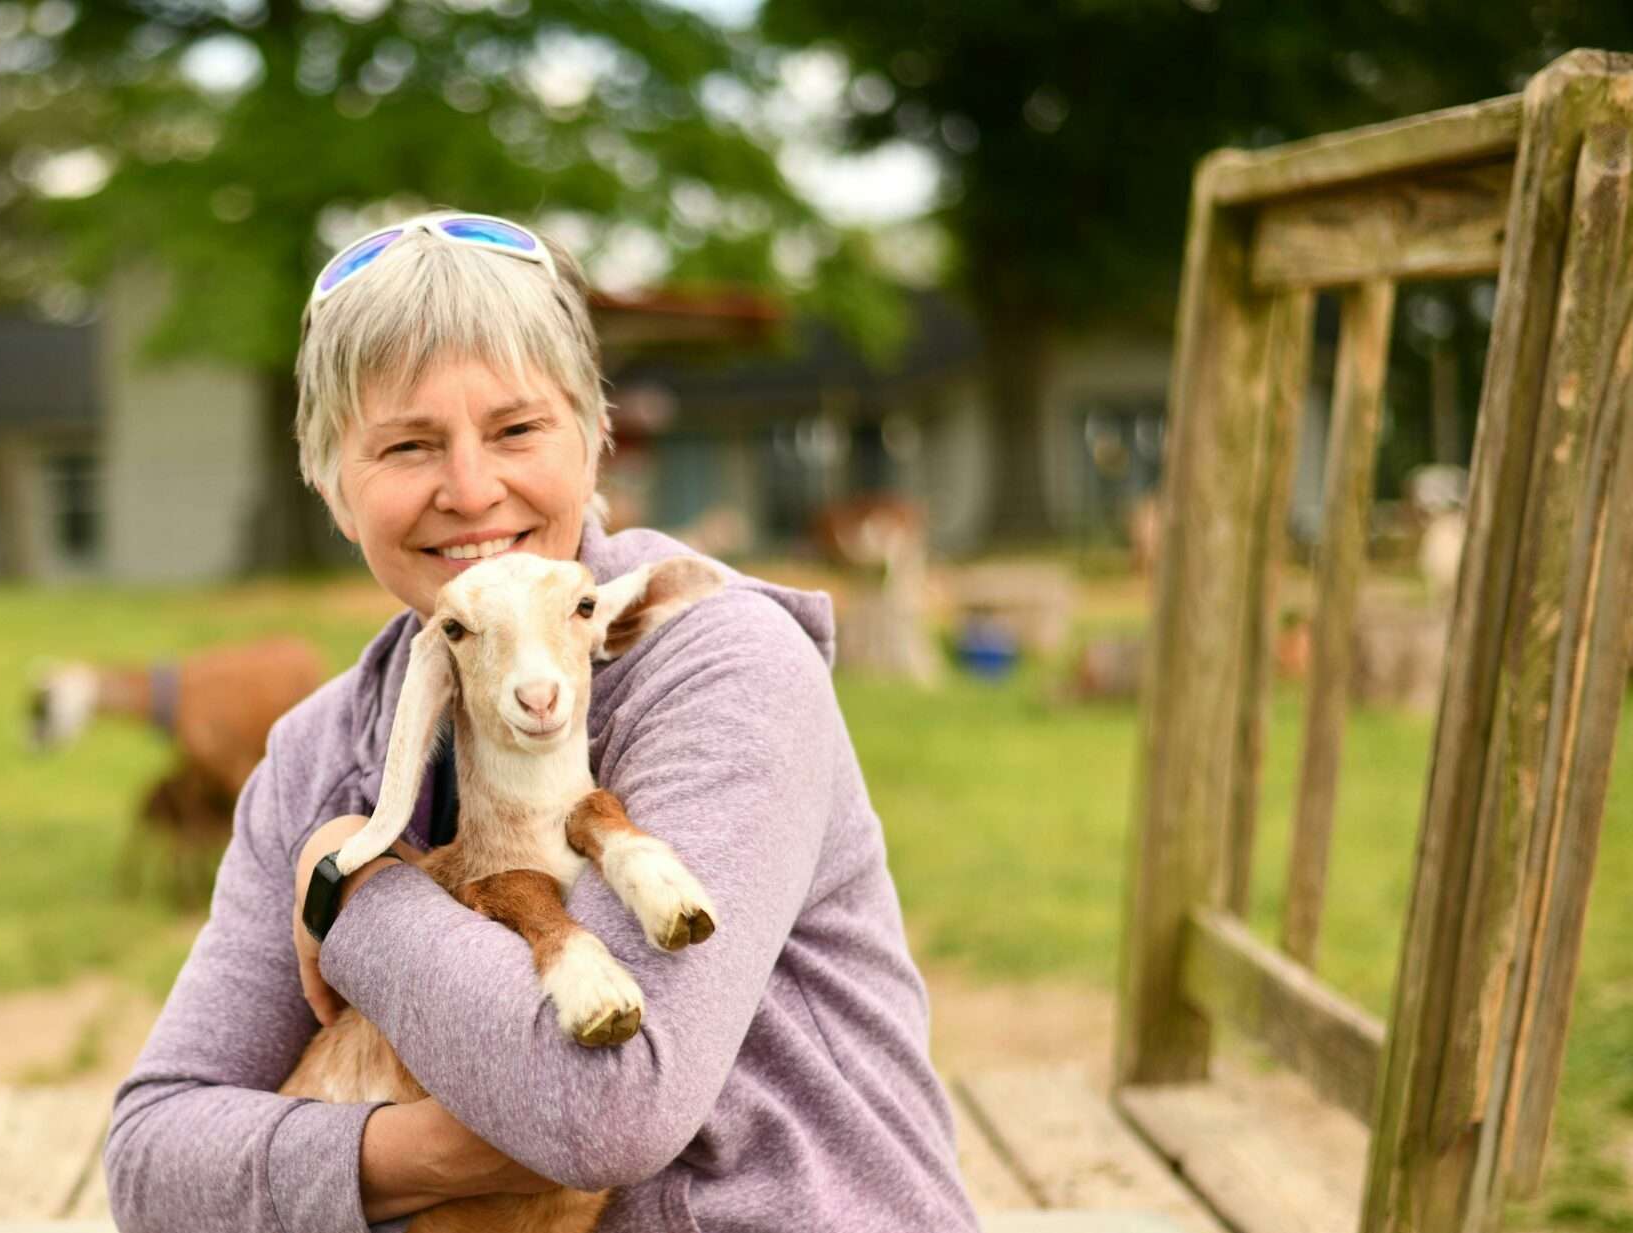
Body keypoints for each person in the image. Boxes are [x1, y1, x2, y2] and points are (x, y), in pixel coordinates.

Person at [103, 211, 977, 1232]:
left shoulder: (720, 663)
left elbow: (609, 1106)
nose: (471, 490)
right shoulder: (314, 755)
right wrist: (413, 1155)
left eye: (516, 430)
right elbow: (151, 1163)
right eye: (405, 445)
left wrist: (351, 889)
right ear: (334, 487)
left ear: (594, 437)